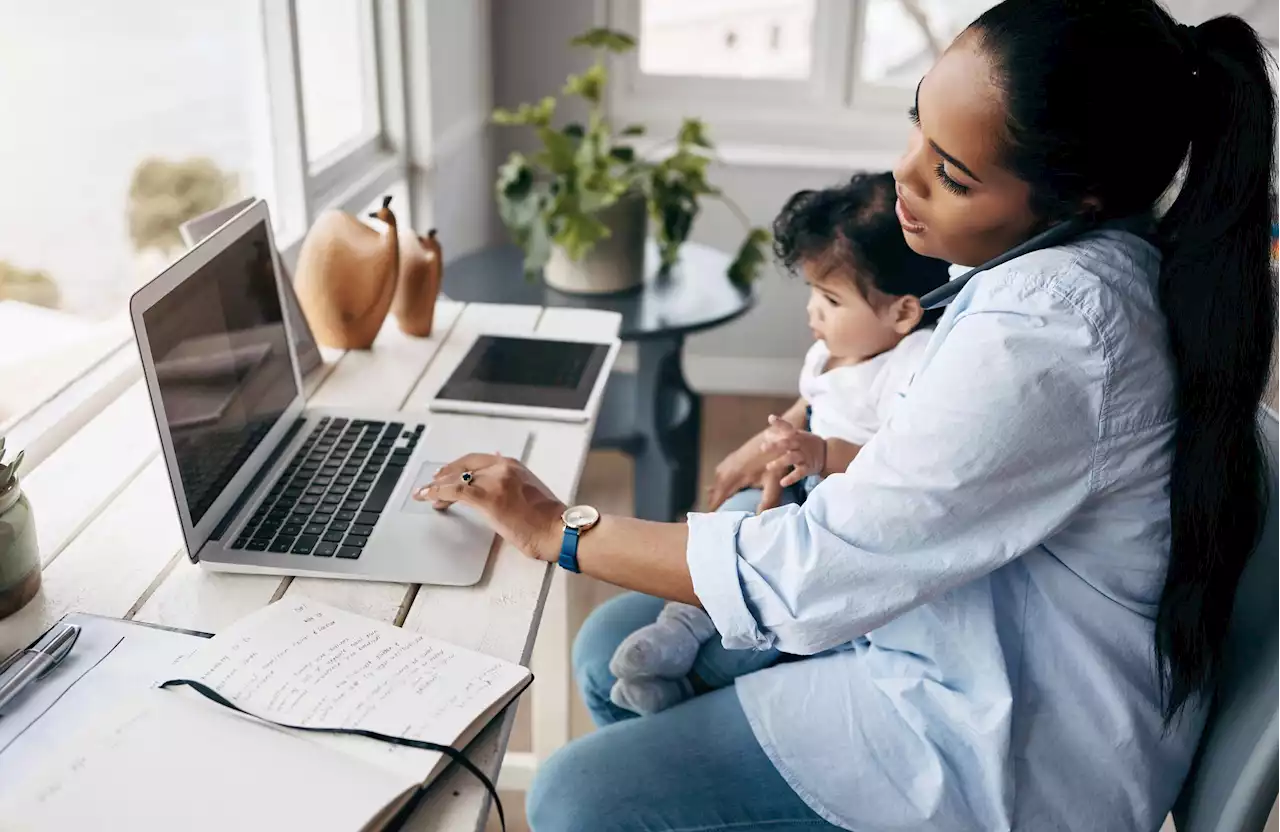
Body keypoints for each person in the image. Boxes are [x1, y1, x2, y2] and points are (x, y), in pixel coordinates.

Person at [417, 1, 1277, 828]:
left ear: (1076, 199)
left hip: (1011, 743)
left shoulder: (1054, 335)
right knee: (614, 649)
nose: (903, 176)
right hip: (957, 628)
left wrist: (554, 527)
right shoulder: (1052, 273)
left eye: (952, 173)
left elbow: (811, 573)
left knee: (573, 797)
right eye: (919, 129)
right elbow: (933, 481)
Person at [609, 172, 950, 716]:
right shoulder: (833, 351)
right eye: (814, 293)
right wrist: (777, 443)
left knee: (766, 612)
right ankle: (673, 633)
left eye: (832, 299)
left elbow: (896, 468)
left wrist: (821, 454)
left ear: (903, 312)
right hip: (793, 486)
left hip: (836, 522)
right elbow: (810, 401)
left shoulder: (910, 365)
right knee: (723, 539)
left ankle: (687, 688)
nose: (813, 311)